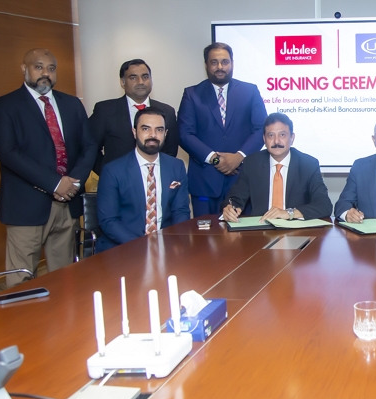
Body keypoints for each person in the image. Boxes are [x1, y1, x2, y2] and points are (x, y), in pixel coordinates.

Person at [0, 48, 97, 287]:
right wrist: (55, 183)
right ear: (24, 69)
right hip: (26, 205)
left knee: (65, 279)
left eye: (51, 68)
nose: (45, 73)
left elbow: (89, 146)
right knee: (21, 282)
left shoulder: (72, 104)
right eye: (38, 67)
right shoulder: (4, 106)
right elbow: (7, 153)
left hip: (67, 204)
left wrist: (73, 182)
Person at [179, 42, 268, 216]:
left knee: (244, 233)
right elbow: (184, 134)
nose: (220, 67)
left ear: (232, 63)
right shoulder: (192, 94)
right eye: (214, 62)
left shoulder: (250, 91)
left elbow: (261, 129)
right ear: (206, 65)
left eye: (225, 62)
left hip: (242, 180)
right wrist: (215, 159)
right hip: (205, 182)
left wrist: (239, 156)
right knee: (205, 233)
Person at [97, 107, 190, 252]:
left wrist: (174, 241)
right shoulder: (113, 170)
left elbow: (181, 211)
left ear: (165, 134)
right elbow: (108, 221)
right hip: (123, 247)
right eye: (146, 129)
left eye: (159, 130)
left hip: (166, 247)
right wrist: (144, 245)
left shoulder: (176, 166)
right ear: (134, 132)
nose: (153, 135)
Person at [222, 113, 332, 222]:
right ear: (264, 139)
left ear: (292, 138)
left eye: (282, 135)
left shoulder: (308, 164)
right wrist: (230, 209)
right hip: (261, 227)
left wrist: (289, 213)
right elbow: (234, 199)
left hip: (296, 228)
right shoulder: (252, 163)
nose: (276, 141)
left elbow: (324, 205)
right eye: (271, 135)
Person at [90, 59, 180, 174]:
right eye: (133, 78)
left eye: (145, 77)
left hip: (154, 179)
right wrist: (108, 173)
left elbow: (170, 151)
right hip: (117, 180)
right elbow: (90, 148)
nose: (140, 82)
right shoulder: (105, 110)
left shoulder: (167, 112)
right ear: (122, 82)